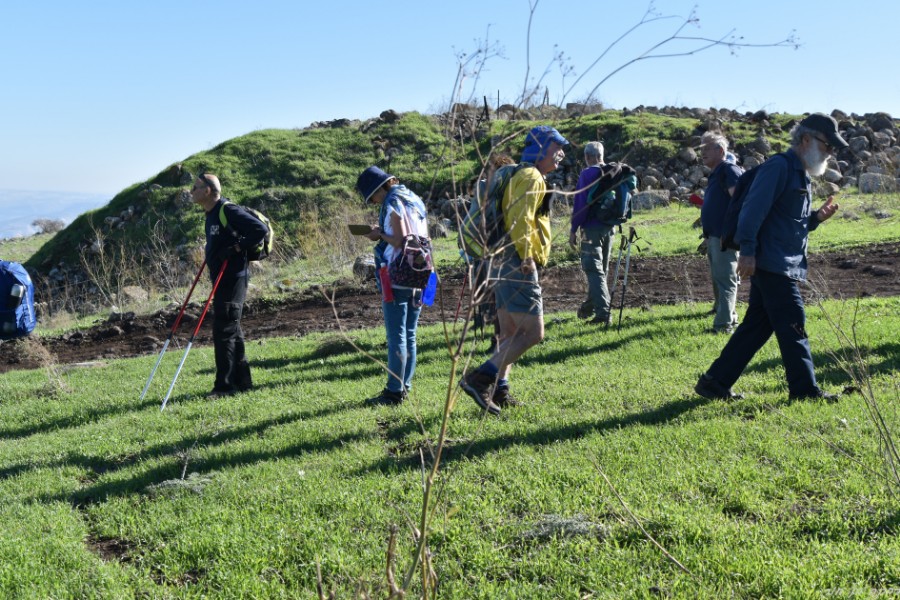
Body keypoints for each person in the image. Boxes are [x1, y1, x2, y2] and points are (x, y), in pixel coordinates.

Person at [694, 113, 848, 401]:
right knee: (793, 320)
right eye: (828, 145)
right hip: (771, 263)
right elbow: (753, 211)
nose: (830, 152)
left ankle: (714, 382)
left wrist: (815, 219)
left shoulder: (800, 173)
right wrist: (748, 253)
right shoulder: (778, 167)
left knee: (757, 326)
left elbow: (788, 221)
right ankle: (804, 391)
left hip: (780, 262)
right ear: (805, 140)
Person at [460, 125, 568, 415]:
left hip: (499, 258)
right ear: (542, 149)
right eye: (557, 147)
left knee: (508, 333)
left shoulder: (516, 173)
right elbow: (520, 218)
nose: (562, 154)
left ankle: (500, 389)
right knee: (533, 333)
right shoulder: (532, 176)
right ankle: (480, 379)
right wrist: (527, 257)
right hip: (517, 260)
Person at [191, 173, 269, 397]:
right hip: (222, 278)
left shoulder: (227, 210)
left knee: (223, 330)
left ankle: (224, 387)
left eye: (195, 187)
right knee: (232, 328)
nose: (191, 191)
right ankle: (242, 382)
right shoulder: (211, 214)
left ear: (207, 190)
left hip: (233, 277)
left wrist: (235, 249)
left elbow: (259, 230)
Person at [357, 166, 429, 405]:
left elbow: (399, 240)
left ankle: (393, 391)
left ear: (382, 187)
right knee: (410, 333)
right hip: (420, 270)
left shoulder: (392, 202)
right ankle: (404, 386)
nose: (375, 202)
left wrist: (379, 235)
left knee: (396, 334)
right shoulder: (414, 199)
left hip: (398, 272)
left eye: (373, 197)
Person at [699, 131, 743, 333]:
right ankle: (726, 316)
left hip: (725, 237)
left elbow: (741, 203)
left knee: (726, 280)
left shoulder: (729, 170)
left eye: (706, 148)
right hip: (714, 236)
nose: (702, 152)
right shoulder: (717, 173)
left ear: (721, 150)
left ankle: (724, 325)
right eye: (701, 148)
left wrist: (730, 233)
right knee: (720, 277)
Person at [568, 141, 616, 325]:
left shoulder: (587, 173)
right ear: (602, 155)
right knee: (600, 271)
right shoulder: (613, 171)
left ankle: (603, 314)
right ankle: (588, 307)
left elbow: (580, 204)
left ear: (588, 157)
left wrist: (573, 230)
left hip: (591, 228)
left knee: (593, 270)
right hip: (609, 228)